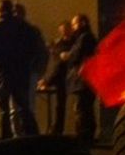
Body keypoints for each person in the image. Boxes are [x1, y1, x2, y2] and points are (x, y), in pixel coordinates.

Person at [0, 0, 39, 138]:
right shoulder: (24, 27)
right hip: (20, 74)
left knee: (4, 111)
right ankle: (32, 138)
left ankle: (6, 140)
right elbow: (33, 49)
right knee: (23, 108)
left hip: (0, 74)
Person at [60, 14, 98, 146]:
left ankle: (83, 137)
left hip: (83, 81)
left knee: (82, 109)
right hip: (86, 81)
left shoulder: (84, 38)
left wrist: (67, 56)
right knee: (85, 109)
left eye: (74, 24)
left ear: (81, 23)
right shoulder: (86, 37)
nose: (73, 27)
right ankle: (86, 135)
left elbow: (76, 55)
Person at [12, 3, 49, 135]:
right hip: (24, 73)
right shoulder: (31, 31)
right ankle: (23, 135)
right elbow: (42, 52)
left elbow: (41, 52)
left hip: (23, 73)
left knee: (22, 107)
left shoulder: (26, 31)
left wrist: (38, 72)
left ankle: (21, 135)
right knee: (21, 107)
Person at [38, 21, 74, 135]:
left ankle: (57, 129)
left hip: (66, 77)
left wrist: (47, 80)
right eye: (63, 30)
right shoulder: (57, 44)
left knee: (61, 105)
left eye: (66, 30)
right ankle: (57, 129)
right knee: (59, 105)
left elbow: (57, 64)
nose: (64, 33)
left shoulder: (72, 44)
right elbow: (53, 64)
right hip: (59, 77)